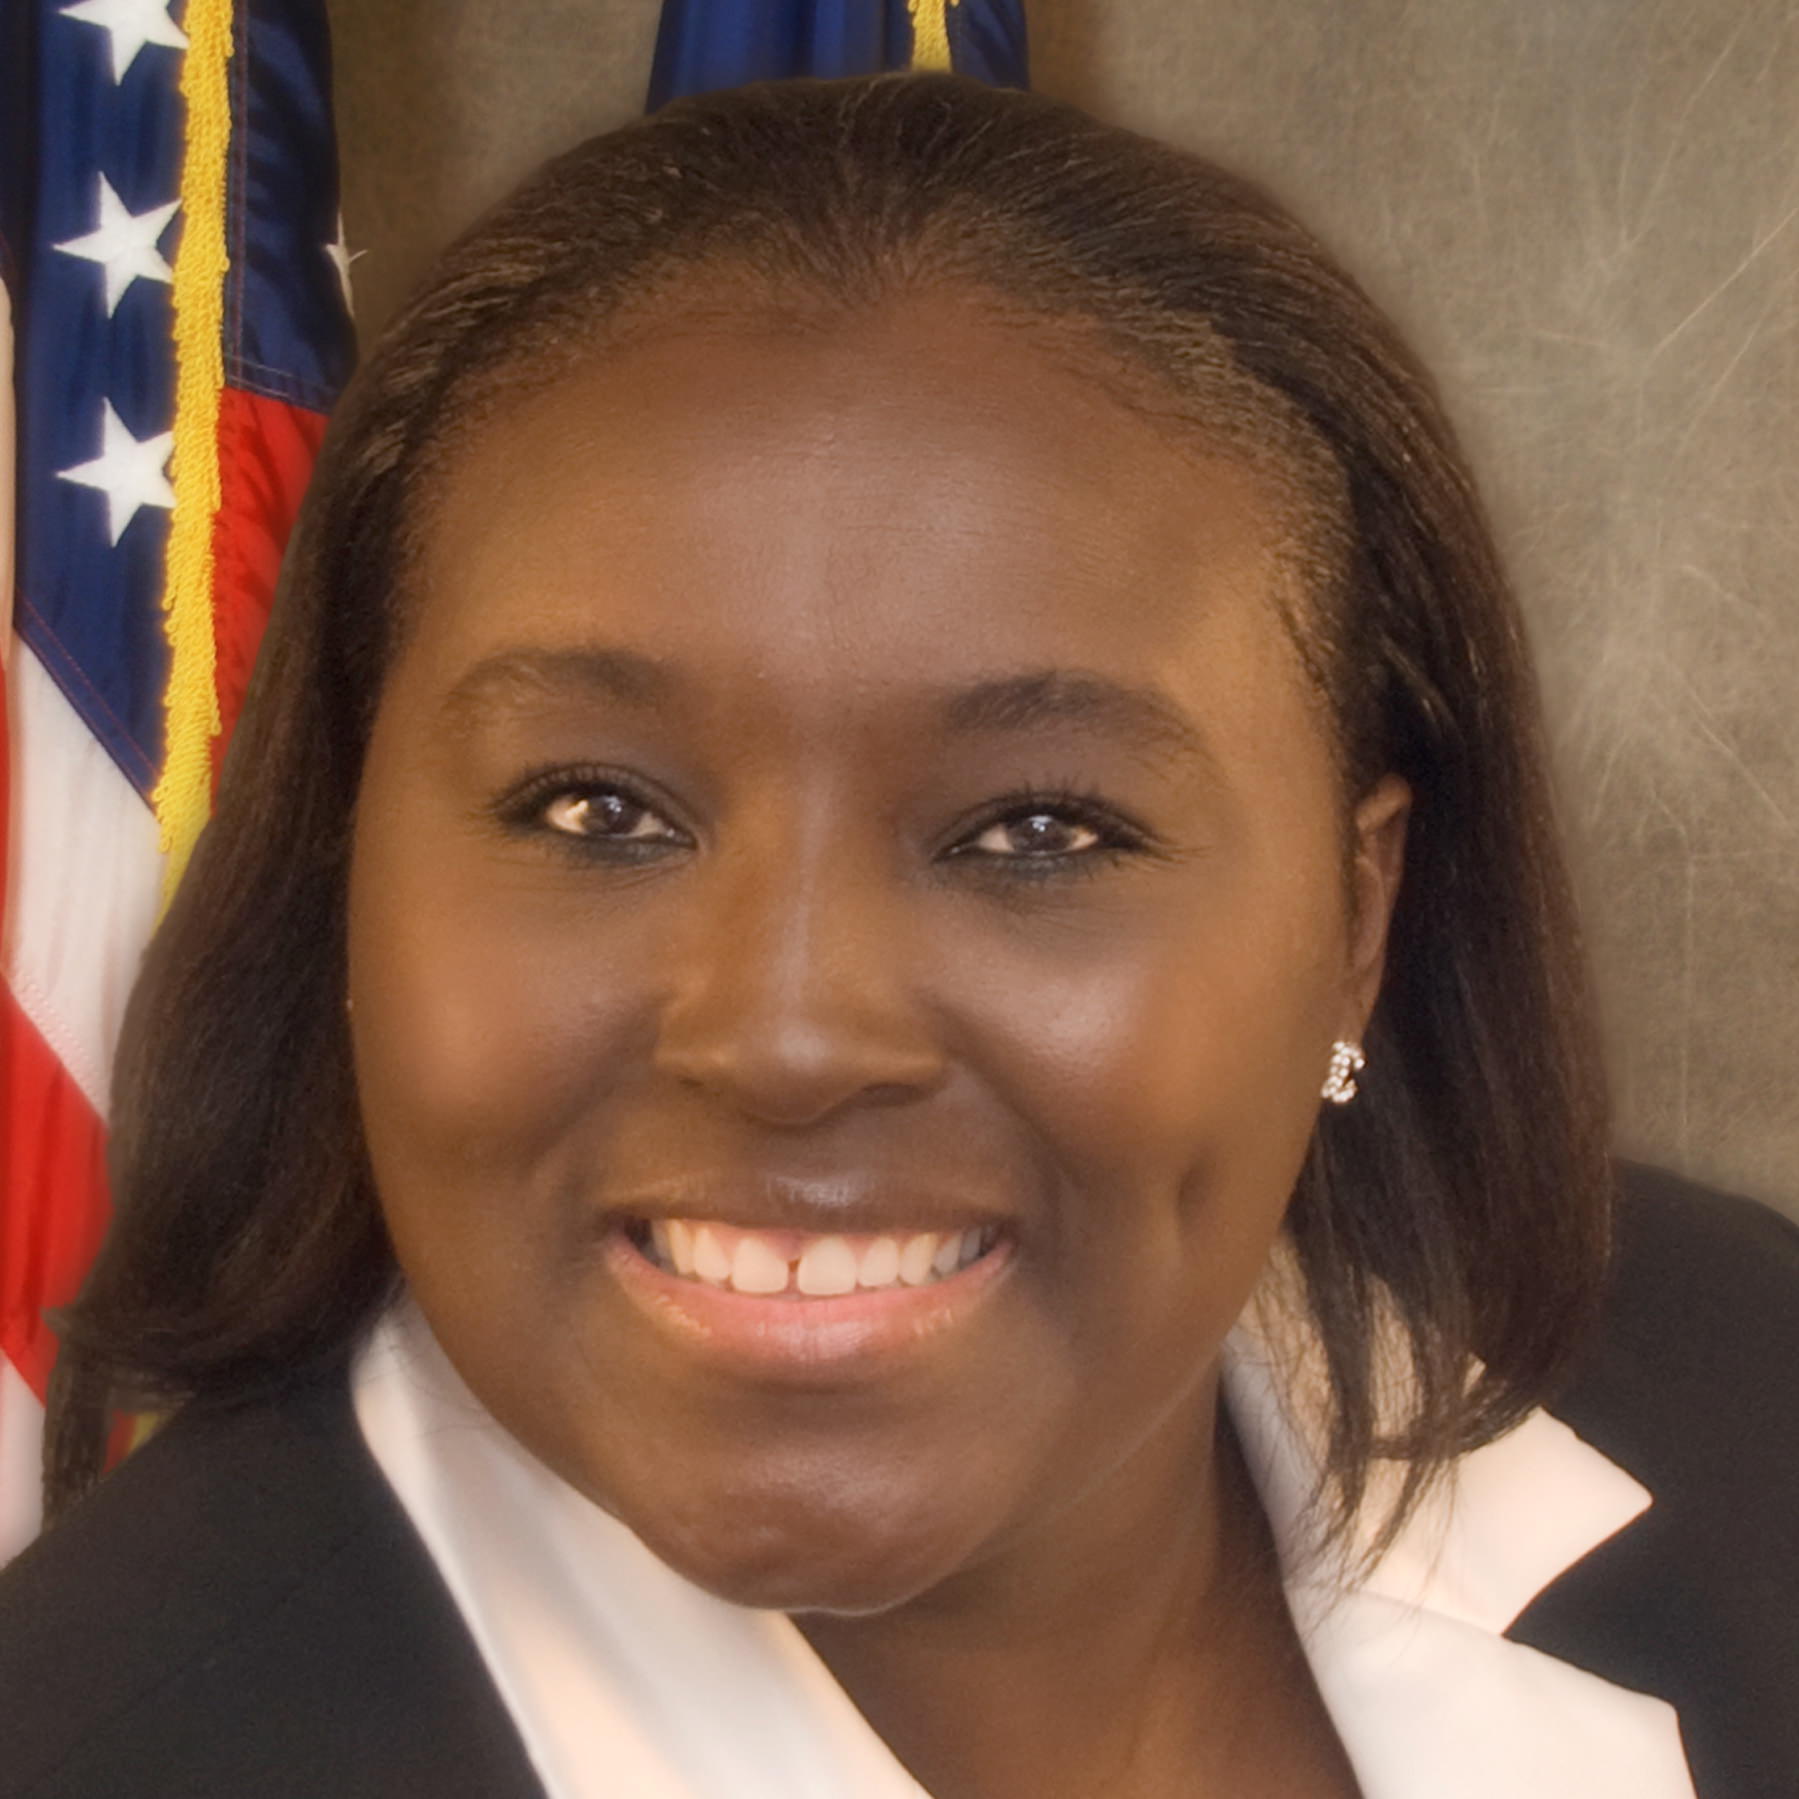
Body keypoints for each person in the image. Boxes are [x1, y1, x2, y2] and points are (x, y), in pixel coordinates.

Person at [1, 71, 1793, 1799]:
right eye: (596, 810)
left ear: (1356, 918)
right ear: (350, 875)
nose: (788, 1037)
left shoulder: (1746, 1386)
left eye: (1041, 829)